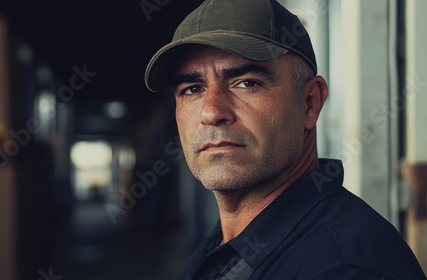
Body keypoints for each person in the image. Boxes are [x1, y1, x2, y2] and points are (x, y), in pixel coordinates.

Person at [144, 0, 427, 279]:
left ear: (309, 103)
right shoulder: (227, 244)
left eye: (247, 83)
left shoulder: (344, 268)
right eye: (193, 89)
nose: (211, 112)